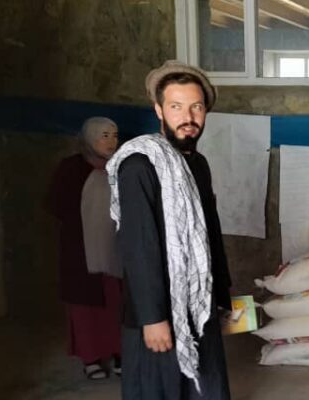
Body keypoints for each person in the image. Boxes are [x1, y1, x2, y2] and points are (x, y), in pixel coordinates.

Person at [107, 60, 232, 400]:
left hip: (198, 304)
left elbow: (210, 234)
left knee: (206, 389)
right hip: (158, 313)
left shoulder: (198, 164)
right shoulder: (139, 165)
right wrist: (153, 318)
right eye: (176, 107)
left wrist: (221, 296)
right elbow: (138, 247)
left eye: (196, 107)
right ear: (159, 110)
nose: (188, 117)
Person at [46, 116, 123, 380]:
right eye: (104, 135)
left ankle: (119, 352)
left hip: (113, 248)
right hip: (81, 252)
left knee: (116, 302)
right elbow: (56, 205)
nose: (111, 141)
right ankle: (91, 358)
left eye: (114, 135)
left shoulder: (120, 165)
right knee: (85, 308)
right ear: (90, 138)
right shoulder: (71, 169)